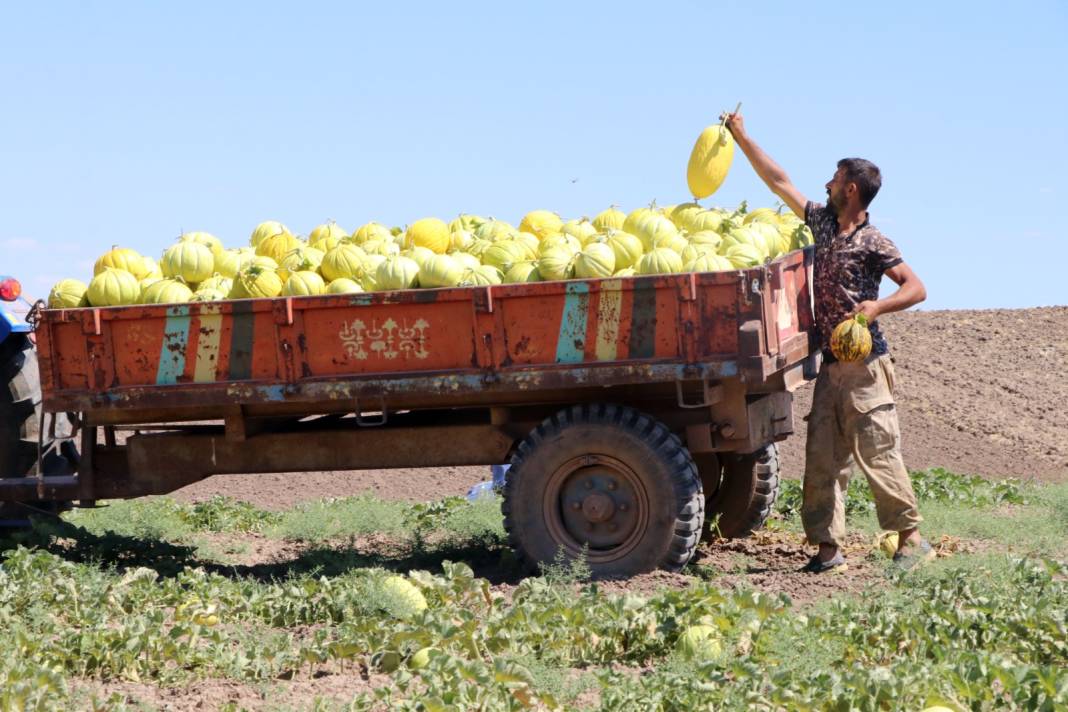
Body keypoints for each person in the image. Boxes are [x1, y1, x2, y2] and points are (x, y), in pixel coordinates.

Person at [724, 111, 933, 572]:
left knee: (878, 450)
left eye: (835, 179)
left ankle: (911, 539)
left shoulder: (874, 240)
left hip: (866, 367)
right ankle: (827, 550)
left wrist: (876, 308)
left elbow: (916, 287)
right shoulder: (822, 225)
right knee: (822, 458)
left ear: (851, 189)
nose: (826, 184)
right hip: (831, 366)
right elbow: (779, 181)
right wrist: (742, 137)